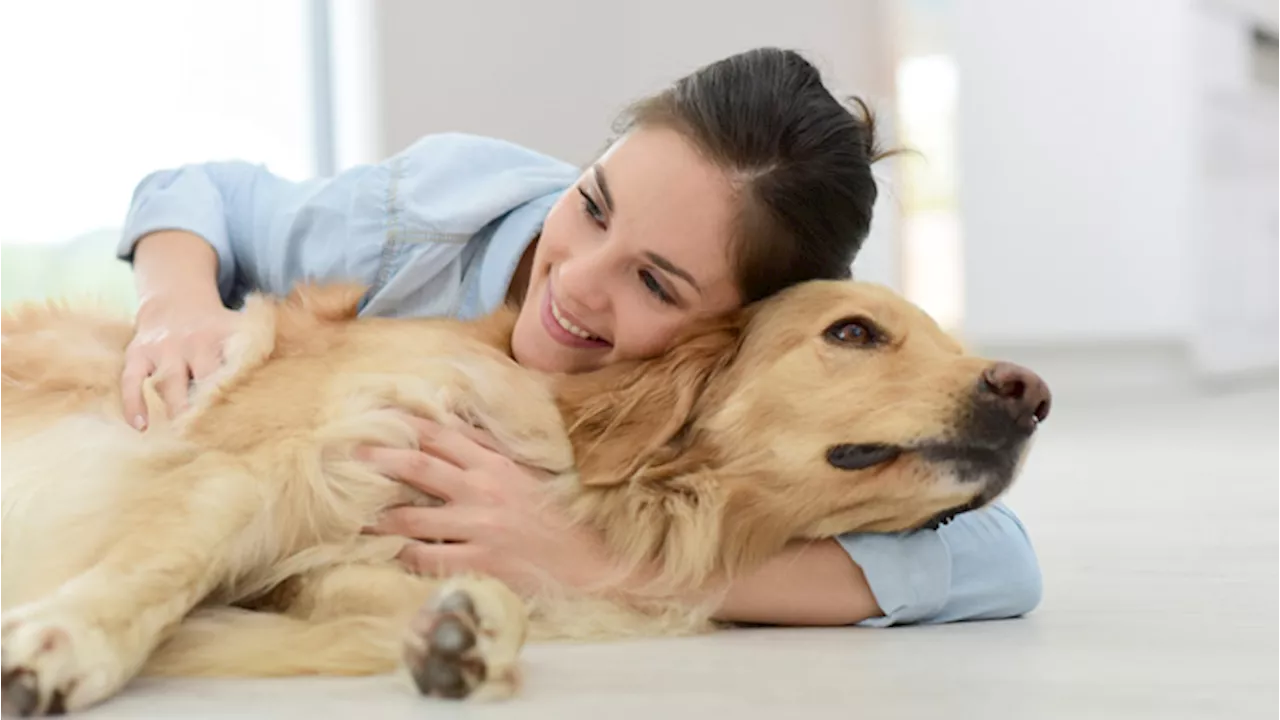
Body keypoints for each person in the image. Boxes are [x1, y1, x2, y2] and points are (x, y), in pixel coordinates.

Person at [115, 47, 1041, 627]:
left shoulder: (708, 384)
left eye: (654, 282)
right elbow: (199, 194)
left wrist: (598, 563)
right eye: (593, 204)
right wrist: (177, 301)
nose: (576, 282)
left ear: (733, 333)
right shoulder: (431, 214)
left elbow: (999, 564)